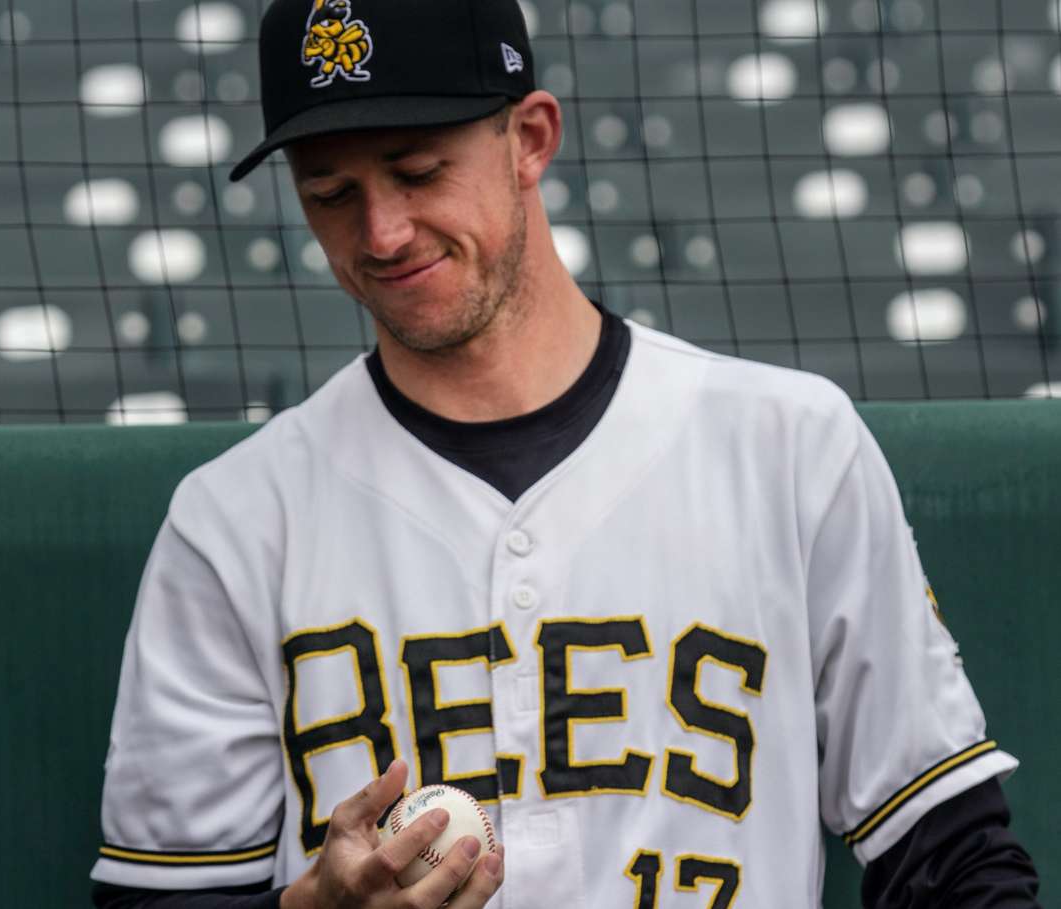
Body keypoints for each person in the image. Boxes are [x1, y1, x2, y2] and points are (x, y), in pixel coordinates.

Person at [90, 1, 1041, 906]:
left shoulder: (789, 448)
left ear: (531, 139)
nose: (380, 232)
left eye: (418, 171)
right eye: (331, 194)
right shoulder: (235, 522)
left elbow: (948, 853)